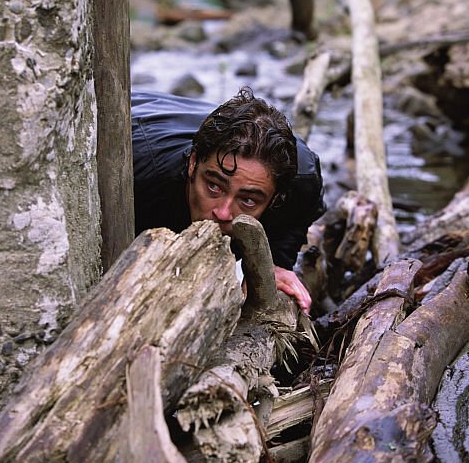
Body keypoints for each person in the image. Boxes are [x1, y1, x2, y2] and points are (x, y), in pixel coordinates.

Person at [132, 87, 325, 313]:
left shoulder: (303, 181)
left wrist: (276, 262)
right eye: (214, 187)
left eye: (248, 200)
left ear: (275, 199)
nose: (223, 213)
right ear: (193, 163)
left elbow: (297, 217)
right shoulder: (138, 177)